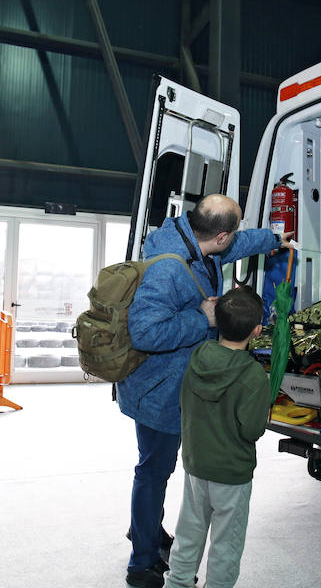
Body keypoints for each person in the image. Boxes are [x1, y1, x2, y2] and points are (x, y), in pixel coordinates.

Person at [118, 194, 291, 588]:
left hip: (174, 385)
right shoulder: (170, 269)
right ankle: (141, 562)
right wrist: (202, 317)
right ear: (221, 234)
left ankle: (146, 530)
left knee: (160, 470)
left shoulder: (194, 240)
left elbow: (235, 246)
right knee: (153, 471)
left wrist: (274, 239)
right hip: (157, 391)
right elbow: (144, 333)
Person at [164, 286, 271, 588]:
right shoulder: (252, 375)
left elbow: (185, 403)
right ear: (257, 330)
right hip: (231, 474)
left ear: (218, 323)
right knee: (226, 544)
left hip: (196, 465)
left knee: (188, 533)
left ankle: (177, 583)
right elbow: (252, 430)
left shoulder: (199, 356)